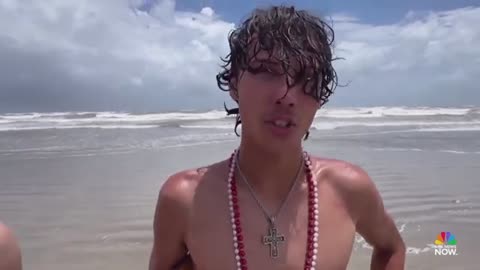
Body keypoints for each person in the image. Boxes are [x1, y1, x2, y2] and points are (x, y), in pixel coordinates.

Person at [149, 5, 406, 270]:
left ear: (320, 98)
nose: (286, 95)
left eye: (306, 77)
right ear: (234, 83)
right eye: (268, 71)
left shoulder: (349, 190)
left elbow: (392, 248)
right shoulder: (184, 200)